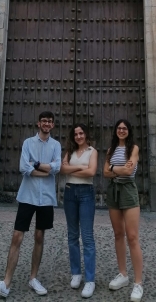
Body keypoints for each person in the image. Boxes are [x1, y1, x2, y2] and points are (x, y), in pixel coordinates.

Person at [0, 110, 61, 298]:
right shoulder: (28, 143)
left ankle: (33, 278)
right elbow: (23, 168)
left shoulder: (56, 145)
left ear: (52, 125)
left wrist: (36, 165)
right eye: (44, 121)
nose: (46, 124)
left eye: (50, 121)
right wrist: (45, 170)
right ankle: (6, 282)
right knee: (17, 236)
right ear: (38, 123)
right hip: (27, 196)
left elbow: (57, 167)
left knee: (39, 236)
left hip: (46, 199)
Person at [103, 119, 143, 302]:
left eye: (124, 128)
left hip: (127, 190)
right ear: (115, 131)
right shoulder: (111, 150)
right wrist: (116, 169)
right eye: (118, 128)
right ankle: (123, 274)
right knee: (118, 234)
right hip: (113, 191)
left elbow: (129, 171)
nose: (121, 130)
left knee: (132, 236)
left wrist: (113, 168)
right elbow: (105, 173)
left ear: (129, 131)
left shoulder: (133, 148)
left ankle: (138, 283)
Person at [60, 123, 98, 299]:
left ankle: (90, 279)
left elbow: (91, 173)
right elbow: (62, 169)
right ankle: (76, 273)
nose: (78, 136)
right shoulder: (69, 151)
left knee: (87, 237)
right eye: (76, 134)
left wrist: (72, 169)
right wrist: (80, 168)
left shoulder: (93, 151)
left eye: (81, 133)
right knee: (72, 235)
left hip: (85, 195)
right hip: (69, 193)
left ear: (86, 134)